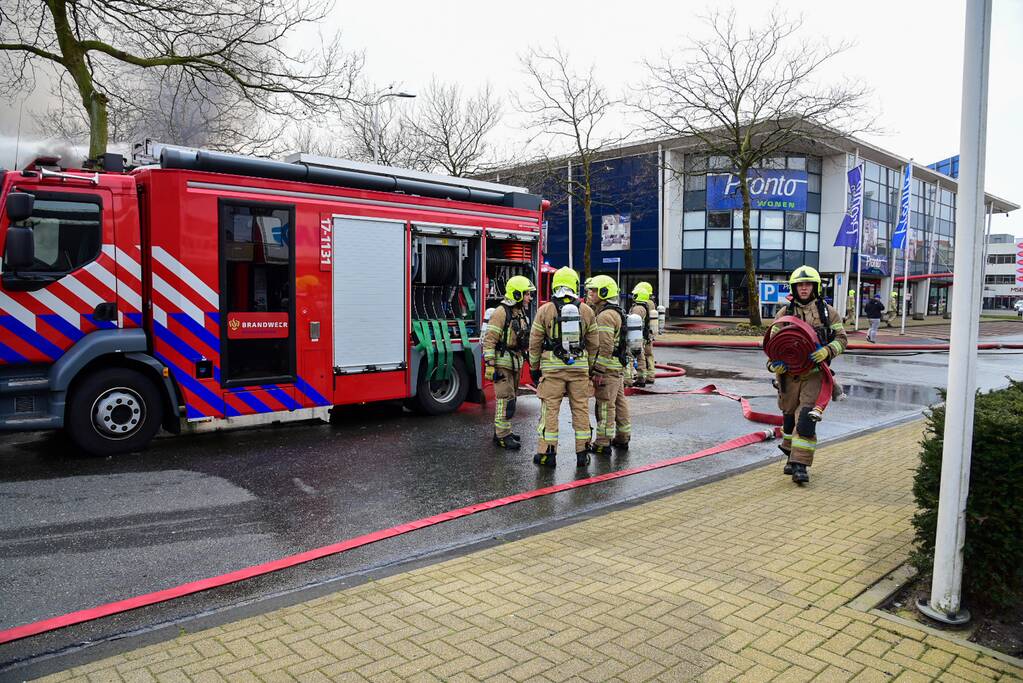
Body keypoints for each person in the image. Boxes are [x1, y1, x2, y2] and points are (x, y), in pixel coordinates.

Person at [766, 266, 848, 484]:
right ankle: (790, 456)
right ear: (794, 287)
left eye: (808, 284)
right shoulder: (784, 314)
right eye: (800, 285)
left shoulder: (828, 313)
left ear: (815, 287)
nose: (804, 288)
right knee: (789, 416)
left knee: (805, 418)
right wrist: (775, 364)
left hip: (814, 374)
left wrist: (827, 350)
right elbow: (772, 346)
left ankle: (800, 465)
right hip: (788, 377)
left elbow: (842, 339)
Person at [528, 267, 598, 468]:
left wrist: (534, 368)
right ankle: (582, 452)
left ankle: (547, 454)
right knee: (581, 409)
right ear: (575, 284)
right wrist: (590, 368)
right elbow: (594, 343)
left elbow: (535, 342)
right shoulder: (586, 310)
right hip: (579, 369)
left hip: (552, 370)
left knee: (550, 411)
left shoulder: (545, 310)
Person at [483, 275, 535, 450]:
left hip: (515, 361)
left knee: (511, 399)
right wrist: (490, 365)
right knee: (504, 399)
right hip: (502, 363)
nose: (530, 297)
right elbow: (489, 340)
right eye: (527, 294)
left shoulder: (519, 312)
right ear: (517, 294)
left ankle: (504, 431)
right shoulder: (501, 312)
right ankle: (502, 436)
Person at [586, 275, 631, 455]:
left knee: (605, 404)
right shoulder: (616, 311)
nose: (590, 293)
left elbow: (605, 346)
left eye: (594, 290)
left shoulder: (605, 316)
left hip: (608, 369)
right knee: (620, 403)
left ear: (604, 292)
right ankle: (623, 437)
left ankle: (603, 442)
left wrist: (598, 370)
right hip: (617, 366)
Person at [631, 282, 658, 386]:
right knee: (648, 355)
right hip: (648, 333)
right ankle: (650, 376)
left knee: (640, 355)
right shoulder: (650, 303)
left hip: (642, 334)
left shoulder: (640, 307)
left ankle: (641, 376)